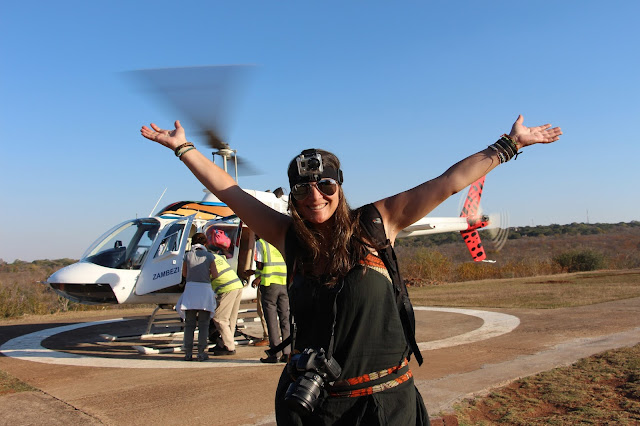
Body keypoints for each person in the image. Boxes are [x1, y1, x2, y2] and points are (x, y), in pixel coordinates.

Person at [142, 115, 561, 424]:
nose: (315, 196)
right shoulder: (288, 236)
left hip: (385, 405)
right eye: (302, 188)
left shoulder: (376, 223)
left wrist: (510, 144)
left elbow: (448, 182)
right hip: (316, 406)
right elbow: (228, 190)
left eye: (326, 185)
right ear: (292, 194)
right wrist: (184, 148)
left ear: (339, 187)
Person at [176, 232, 217, 362]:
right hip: (204, 290)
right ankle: (201, 352)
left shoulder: (187, 256)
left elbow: (184, 273)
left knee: (189, 324)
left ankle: (188, 352)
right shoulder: (209, 256)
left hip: (191, 290)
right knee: (204, 324)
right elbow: (215, 274)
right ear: (205, 243)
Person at [254, 237, 290, 364]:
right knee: (285, 318)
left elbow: (260, 264)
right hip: (284, 282)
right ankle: (287, 353)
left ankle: (275, 353)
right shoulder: (279, 242)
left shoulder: (261, 244)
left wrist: (257, 275)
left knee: (271, 319)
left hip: (269, 284)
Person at [208, 230, 244, 356]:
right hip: (237, 285)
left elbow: (209, 275)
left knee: (219, 318)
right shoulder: (219, 257)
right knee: (231, 318)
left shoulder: (206, 260)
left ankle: (229, 346)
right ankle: (224, 342)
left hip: (227, 288)